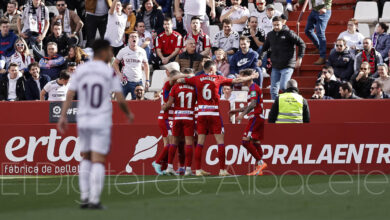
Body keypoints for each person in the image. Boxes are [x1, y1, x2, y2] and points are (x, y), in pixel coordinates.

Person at [57, 39, 134, 210]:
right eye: (109, 50)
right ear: (103, 51)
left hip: (84, 117)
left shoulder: (82, 69)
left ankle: (84, 197)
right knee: (98, 160)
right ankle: (94, 199)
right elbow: (119, 97)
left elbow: (70, 93)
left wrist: (63, 116)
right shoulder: (107, 72)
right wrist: (128, 113)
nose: (111, 53)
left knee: (86, 157)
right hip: (101, 118)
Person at [175, 60, 259, 176]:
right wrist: (252, 76)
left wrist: (186, 76)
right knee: (220, 142)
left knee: (200, 142)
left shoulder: (197, 79)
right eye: (214, 69)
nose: (216, 71)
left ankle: (198, 170)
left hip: (201, 113)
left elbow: (180, 80)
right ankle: (222, 170)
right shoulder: (217, 78)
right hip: (214, 113)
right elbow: (237, 80)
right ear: (211, 69)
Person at [228, 68, 267, 176]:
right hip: (258, 117)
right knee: (255, 142)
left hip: (255, 117)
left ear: (246, 77)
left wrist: (242, 114)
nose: (239, 79)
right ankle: (259, 169)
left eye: (241, 77)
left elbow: (253, 104)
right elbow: (251, 104)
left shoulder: (253, 88)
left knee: (245, 141)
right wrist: (236, 111)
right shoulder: (253, 88)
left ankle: (260, 163)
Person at [259, 16, 306, 100]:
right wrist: (260, 58)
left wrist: (300, 58)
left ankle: (292, 100)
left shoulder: (289, 33)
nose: (276, 27)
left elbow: (302, 43)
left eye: (278, 25)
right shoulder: (270, 35)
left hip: (288, 65)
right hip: (276, 66)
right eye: (274, 25)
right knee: (273, 90)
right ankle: (276, 108)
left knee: (284, 86)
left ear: (282, 23)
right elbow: (264, 48)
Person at [162, 69, 196, 176]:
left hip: (177, 117)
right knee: (189, 143)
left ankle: (170, 167)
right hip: (189, 117)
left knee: (174, 142)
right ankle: (188, 169)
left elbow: (168, 104)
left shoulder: (175, 87)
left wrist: (164, 107)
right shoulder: (194, 88)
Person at [152, 62, 181, 175]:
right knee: (170, 143)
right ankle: (158, 163)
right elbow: (168, 103)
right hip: (166, 118)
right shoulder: (168, 85)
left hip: (168, 117)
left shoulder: (172, 87)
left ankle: (165, 168)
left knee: (168, 145)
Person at [113, 31, 150, 100]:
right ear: (129, 39)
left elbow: (146, 65)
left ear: (138, 39)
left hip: (137, 81)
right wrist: (119, 74)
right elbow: (115, 63)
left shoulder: (142, 51)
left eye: (135, 36)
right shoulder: (123, 50)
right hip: (125, 80)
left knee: (137, 104)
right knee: (119, 102)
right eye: (132, 36)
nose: (134, 38)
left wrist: (147, 80)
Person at [294, 0, 332, 65]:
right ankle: (319, 47)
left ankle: (323, 56)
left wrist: (325, 7)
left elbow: (329, 1)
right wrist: (298, 3)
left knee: (320, 33)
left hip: (323, 11)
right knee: (307, 30)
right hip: (314, 11)